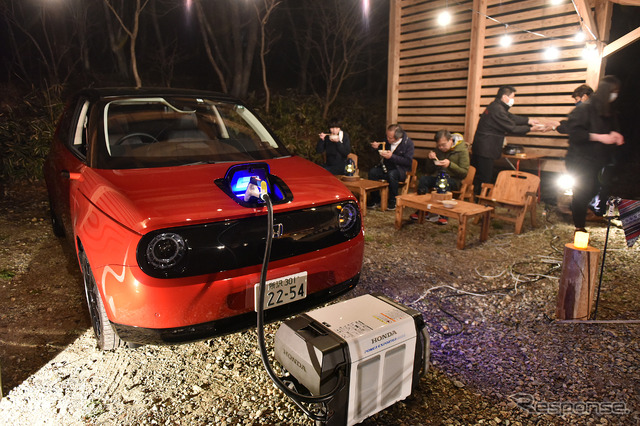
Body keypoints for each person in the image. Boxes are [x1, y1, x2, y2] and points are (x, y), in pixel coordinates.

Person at [564, 75, 625, 233]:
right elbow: (575, 134)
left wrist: (615, 135)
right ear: (607, 91)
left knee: (593, 190)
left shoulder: (608, 110)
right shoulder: (585, 108)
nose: (616, 95)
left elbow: (611, 129)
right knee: (582, 191)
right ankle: (579, 227)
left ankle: (582, 209)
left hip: (598, 160)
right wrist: (600, 137)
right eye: (614, 91)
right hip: (579, 159)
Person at [471, 85, 545, 195]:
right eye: (512, 97)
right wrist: (531, 129)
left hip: (482, 147)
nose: (513, 100)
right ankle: (480, 202)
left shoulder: (496, 106)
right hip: (486, 149)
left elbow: (511, 117)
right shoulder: (498, 110)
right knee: (484, 178)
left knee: (480, 176)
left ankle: (477, 199)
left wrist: (528, 121)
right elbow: (511, 128)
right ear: (505, 97)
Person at [411, 130, 470, 225]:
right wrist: (430, 159)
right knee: (423, 180)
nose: (441, 148)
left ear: (451, 140)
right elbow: (429, 170)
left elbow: (464, 173)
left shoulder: (462, 151)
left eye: (443, 145)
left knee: (443, 184)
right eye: (439, 145)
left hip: (453, 180)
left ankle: (443, 215)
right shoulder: (438, 150)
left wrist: (450, 165)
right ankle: (422, 210)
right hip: (437, 177)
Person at [367, 124, 414, 210]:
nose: (388, 139)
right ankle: (375, 199)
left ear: (398, 137)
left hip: (400, 171)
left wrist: (392, 157)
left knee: (392, 174)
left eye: (390, 138)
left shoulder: (408, 144)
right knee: (372, 172)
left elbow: (407, 161)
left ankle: (393, 201)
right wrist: (376, 147)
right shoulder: (387, 141)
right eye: (387, 136)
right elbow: (382, 149)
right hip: (386, 168)